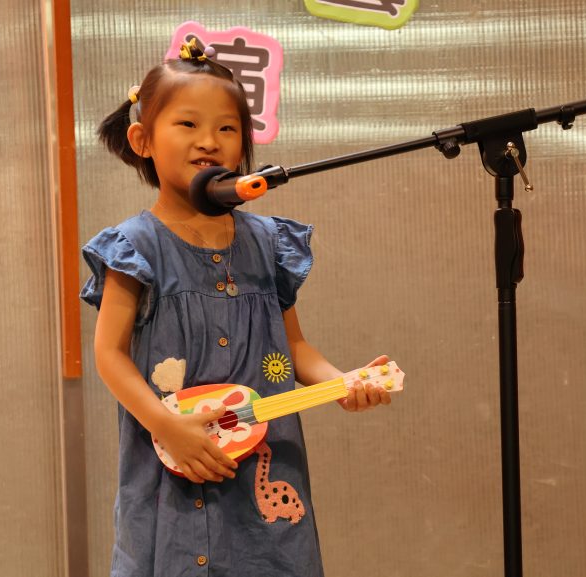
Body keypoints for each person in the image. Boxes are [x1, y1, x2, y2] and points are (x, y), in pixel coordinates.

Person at [80, 39, 392, 577]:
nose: (209, 141)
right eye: (187, 124)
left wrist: (341, 383)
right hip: (173, 470)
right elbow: (109, 354)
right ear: (142, 139)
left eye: (227, 128)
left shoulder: (269, 242)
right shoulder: (134, 247)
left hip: (264, 475)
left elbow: (293, 346)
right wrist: (164, 424)